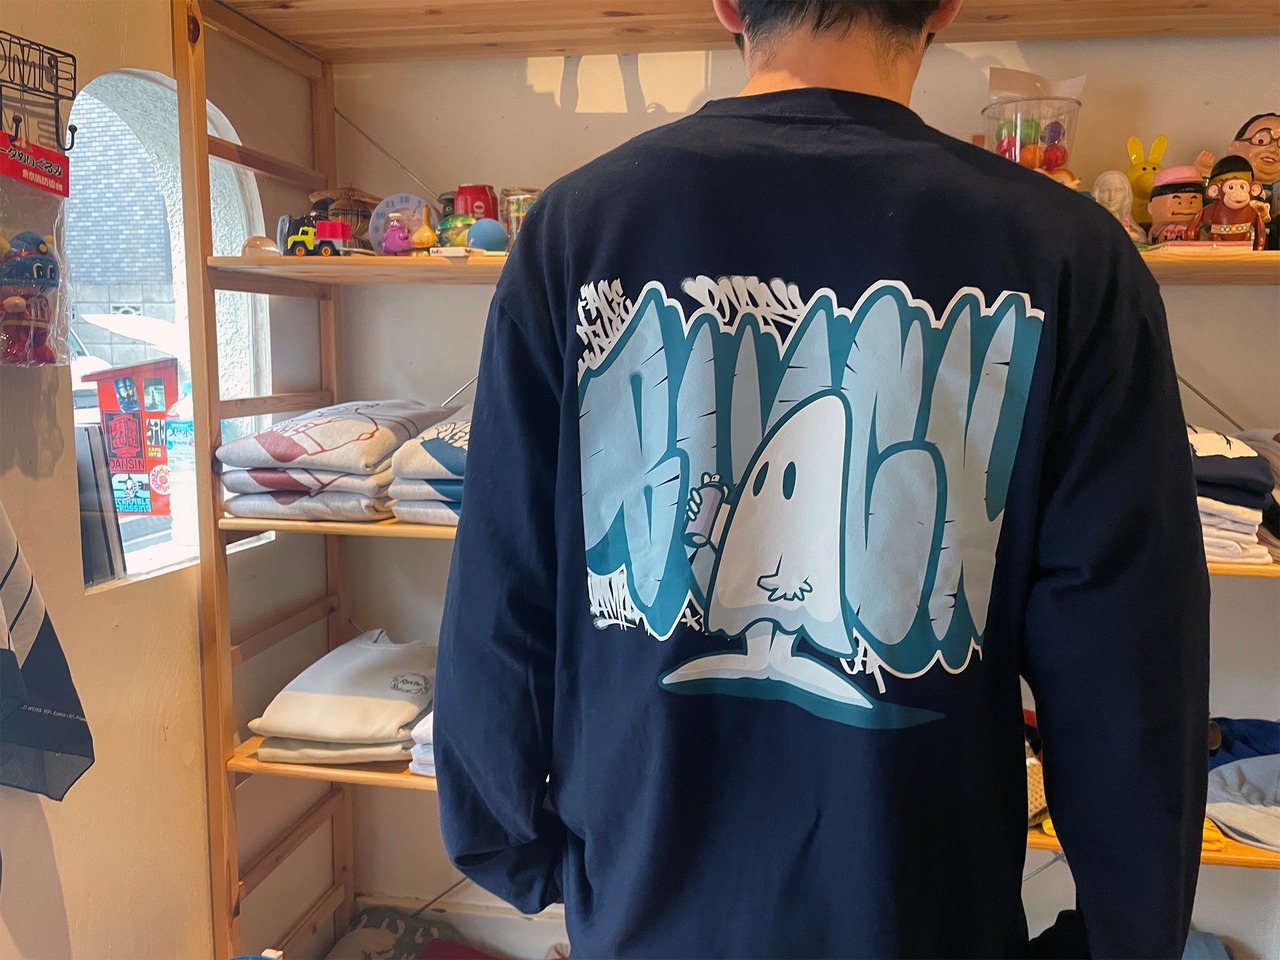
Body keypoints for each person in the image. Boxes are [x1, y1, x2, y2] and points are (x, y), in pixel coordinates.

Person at [434, 1, 1210, 956]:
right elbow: (1130, 660)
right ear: (944, 3)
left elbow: (503, 579)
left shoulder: (574, 231)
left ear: (727, 2)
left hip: (644, 910)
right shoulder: (1069, 255)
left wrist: (521, 848)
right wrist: (1123, 936)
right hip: (922, 920)